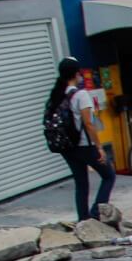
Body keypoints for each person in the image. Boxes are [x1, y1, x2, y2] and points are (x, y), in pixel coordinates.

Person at [49, 57, 114, 221]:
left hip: (67, 147)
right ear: (77, 73)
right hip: (84, 146)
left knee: (81, 184)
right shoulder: (81, 94)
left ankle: (83, 221)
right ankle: (96, 212)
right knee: (109, 175)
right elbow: (89, 124)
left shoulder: (56, 94)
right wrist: (99, 147)